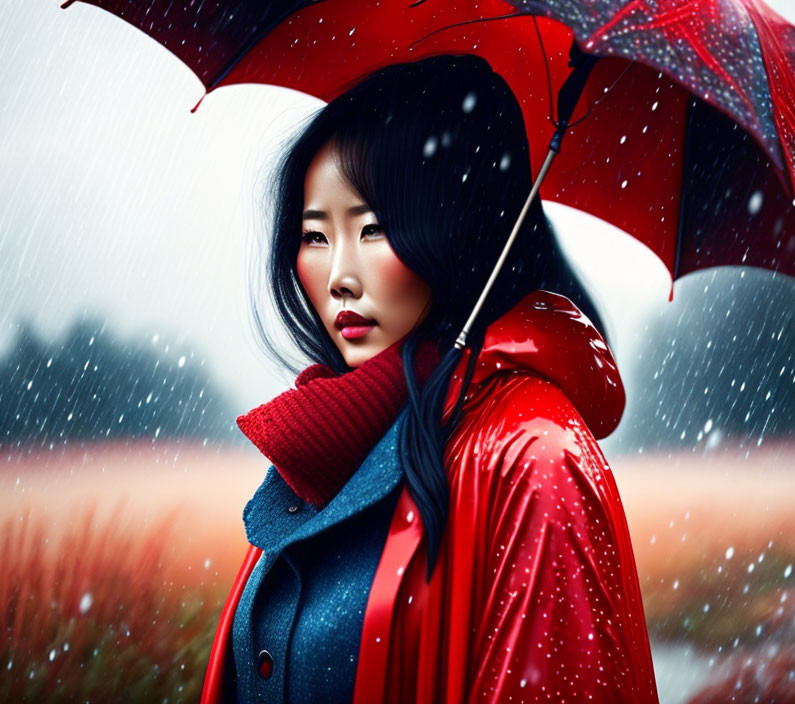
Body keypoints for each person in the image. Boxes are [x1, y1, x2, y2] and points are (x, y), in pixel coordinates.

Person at [201, 54, 658, 704]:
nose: (338, 276)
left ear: (453, 231)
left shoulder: (536, 459)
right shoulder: (329, 440)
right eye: (314, 235)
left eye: (371, 229)